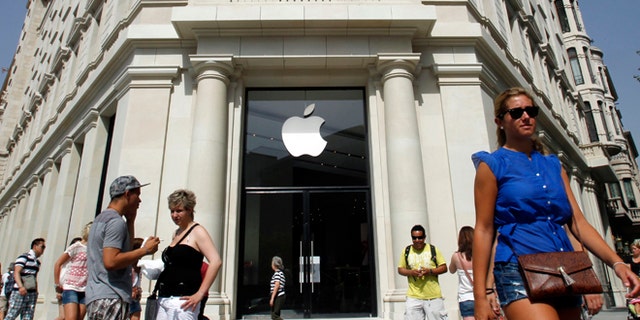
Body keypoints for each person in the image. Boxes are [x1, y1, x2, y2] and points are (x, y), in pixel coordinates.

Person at [472, 87, 640, 320]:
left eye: (531, 110)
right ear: (499, 121)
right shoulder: (491, 165)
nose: (526, 116)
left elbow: (578, 223)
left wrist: (617, 263)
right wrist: (480, 296)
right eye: (517, 112)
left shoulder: (553, 165)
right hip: (516, 267)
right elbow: (483, 230)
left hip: (563, 267)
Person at [86, 175, 160, 320]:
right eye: (137, 195)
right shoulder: (115, 222)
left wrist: (131, 221)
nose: (139, 200)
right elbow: (111, 261)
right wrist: (144, 250)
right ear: (127, 194)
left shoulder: (101, 219)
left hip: (99, 294)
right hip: (110, 296)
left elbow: (123, 250)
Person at [155, 189, 222, 320]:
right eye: (172, 211)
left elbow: (216, 261)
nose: (175, 215)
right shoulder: (176, 233)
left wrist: (200, 293)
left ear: (190, 210)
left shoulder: (198, 231)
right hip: (165, 296)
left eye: (179, 211)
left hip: (184, 299)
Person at [397, 224, 448, 320]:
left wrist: (429, 271)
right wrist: (411, 272)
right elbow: (400, 269)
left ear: (424, 238)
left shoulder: (433, 249)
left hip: (433, 296)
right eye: (414, 238)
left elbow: (444, 267)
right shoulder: (406, 251)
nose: (417, 241)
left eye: (420, 238)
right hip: (414, 296)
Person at [4, 238, 46, 320]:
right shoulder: (24, 257)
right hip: (20, 291)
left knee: (28, 316)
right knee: (12, 314)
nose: (43, 249)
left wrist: (36, 291)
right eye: (42, 247)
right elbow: (17, 272)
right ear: (35, 246)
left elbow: (34, 277)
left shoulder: (37, 262)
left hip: (31, 292)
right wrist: (20, 287)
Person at [54, 231, 90, 320]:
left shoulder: (95, 249)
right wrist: (57, 284)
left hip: (85, 289)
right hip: (71, 287)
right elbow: (58, 263)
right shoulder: (76, 247)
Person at [449, 226, 474, 320]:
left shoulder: (456, 257)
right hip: (481, 296)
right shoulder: (480, 255)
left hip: (465, 297)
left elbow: (451, 270)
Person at [129, 238, 144, 320]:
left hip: (135, 299)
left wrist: (138, 290)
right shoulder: (127, 265)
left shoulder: (139, 265)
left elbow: (138, 282)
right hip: (126, 298)